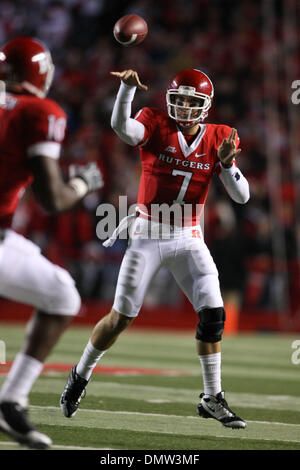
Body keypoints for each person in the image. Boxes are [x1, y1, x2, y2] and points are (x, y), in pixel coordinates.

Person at [60, 68, 250, 429]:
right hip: (148, 233)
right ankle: (80, 374)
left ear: (205, 106)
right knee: (121, 318)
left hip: (189, 236)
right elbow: (123, 128)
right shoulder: (155, 123)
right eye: (177, 99)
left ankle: (212, 397)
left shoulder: (219, 137)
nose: (182, 106)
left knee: (213, 315)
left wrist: (226, 164)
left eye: (190, 101)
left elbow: (242, 197)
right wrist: (126, 91)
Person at [0, 37, 103, 449]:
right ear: (43, 72)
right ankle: (11, 399)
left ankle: (10, 403)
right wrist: (83, 182)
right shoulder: (41, 111)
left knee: (60, 290)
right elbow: (52, 198)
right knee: (63, 297)